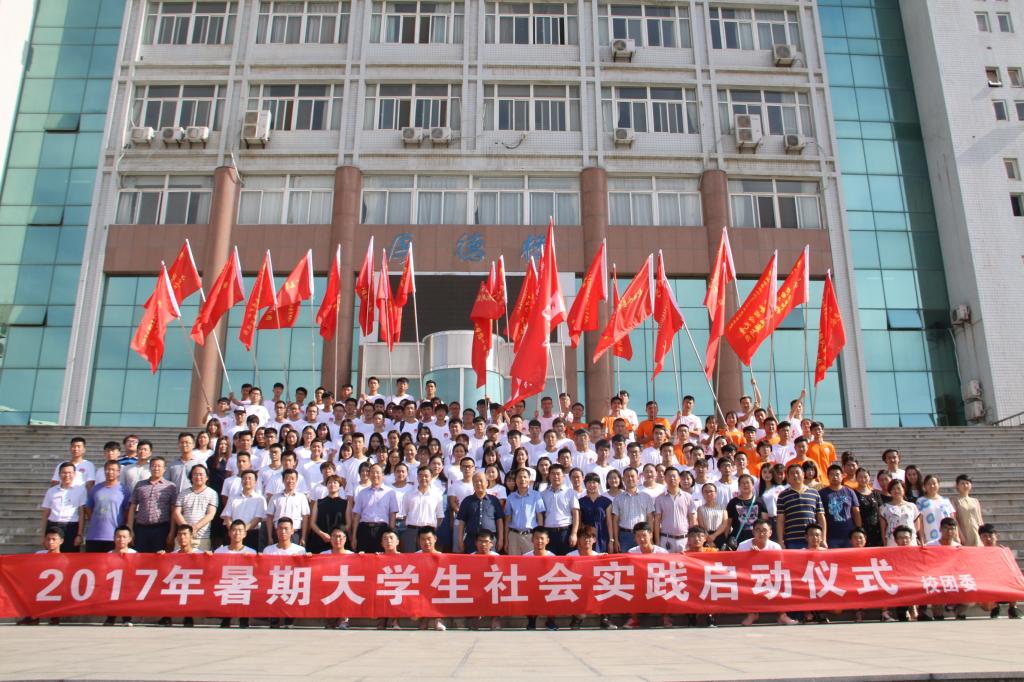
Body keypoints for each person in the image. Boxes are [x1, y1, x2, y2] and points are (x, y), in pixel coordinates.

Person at [738, 520, 796, 626]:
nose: (761, 533)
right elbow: (738, 567)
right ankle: (752, 613)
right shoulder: (743, 546)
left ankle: (782, 615)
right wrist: (749, 556)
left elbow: (781, 567)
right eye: (758, 530)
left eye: (764, 530)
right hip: (751, 578)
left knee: (781, 582)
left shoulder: (776, 547)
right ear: (753, 532)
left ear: (770, 533)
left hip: (770, 578)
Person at [262, 517, 306, 628]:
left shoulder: (300, 550)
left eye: (286, 529)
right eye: (280, 528)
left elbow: (303, 570)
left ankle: (289, 617)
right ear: (276, 530)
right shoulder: (268, 550)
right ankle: (274, 616)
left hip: (291, 583)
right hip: (274, 582)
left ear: (292, 531)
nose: (283, 531)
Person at [83, 460, 130, 553]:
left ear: (118, 472)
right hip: (94, 536)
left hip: (114, 537)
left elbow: (127, 510)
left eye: (113, 470)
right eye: (107, 470)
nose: (110, 472)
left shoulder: (124, 490)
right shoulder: (95, 489)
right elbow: (88, 508)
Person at [775, 464, 826, 549]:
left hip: (812, 540)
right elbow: (780, 520)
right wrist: (780, 540)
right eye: (792, 473)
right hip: (792, 540)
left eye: (797, 472)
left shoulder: (814, 493)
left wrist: (823, 539)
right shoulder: (783, 495)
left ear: (803, 475)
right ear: (788, 477)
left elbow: (821, 516)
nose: (795, 475)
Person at [40, 462, 87, 552]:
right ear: (59, 474)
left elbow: (82, 513)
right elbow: (45, 514)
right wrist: (43, 536)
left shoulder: (81, 490)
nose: (67, 475)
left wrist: (79, 534)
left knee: (71, 556)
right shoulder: (51, 491)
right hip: (53, 526)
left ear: (74, 474)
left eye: (70, 473)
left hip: (71, 527)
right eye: (64, 473)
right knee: (53, 555)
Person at [351, 464, 398, 553]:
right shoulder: (362, 493)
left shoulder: (390, 492)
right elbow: (357, 515)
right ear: (369, 475)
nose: (375, 475)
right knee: (363, 558)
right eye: (372, 472)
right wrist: (354, 536)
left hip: (382, 530)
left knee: (381, 558)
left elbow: (392, 515)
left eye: (377, 472)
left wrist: (391, 534)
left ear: (382, 475)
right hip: (364, 529)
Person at [172, 464, 219, 551]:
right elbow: (176, 513)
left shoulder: (212, 493)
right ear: (191, 477)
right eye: (195, 474)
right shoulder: (183, 493)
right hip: (183, 537)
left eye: (201, 474)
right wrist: (187, 530)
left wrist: (195, 528)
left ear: (207, 477)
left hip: (202, 538)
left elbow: (210, 514)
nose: (198, 477)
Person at [455, 472, 505, 553]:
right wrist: (460, 540)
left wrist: (501, 539)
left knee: (490, 561)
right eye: (475, 481)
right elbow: (462, 522)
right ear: (473, 484)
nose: (478, 483)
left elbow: (499, 520)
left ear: (487, 483)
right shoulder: (467, 501)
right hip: (471, 540)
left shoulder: (494, 500)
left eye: (481, 481)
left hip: (490, 540)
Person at [979, 524, 1021, 619]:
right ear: (980, 538)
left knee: (1016, 578)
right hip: (988, 585)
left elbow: (1013, 569)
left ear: (996, 536)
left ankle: (1013, 607)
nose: (988, 539)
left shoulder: (1004, 551)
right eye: (984, 536)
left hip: (1004, 583)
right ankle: (994, 607)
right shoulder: (977, 553)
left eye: (990, 536)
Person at [609, 467, 654, 553]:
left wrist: (650, 537)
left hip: (643, 535)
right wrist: (616, 540)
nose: (630, 479)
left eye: (632, 476)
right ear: (623, 479)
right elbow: (615, 521)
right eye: (627, 476)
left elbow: (650, 519)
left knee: (643, 559)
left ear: (638, 478)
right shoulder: (618, 499)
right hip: (625, 536)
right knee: (626, 560)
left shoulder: (646, 497)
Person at [400, 466, 445, 552]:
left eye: (426, 476)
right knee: (410, 556)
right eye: (420, 475)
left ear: (431, 477)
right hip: (412, 531)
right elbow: (405, 514)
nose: (423, 478)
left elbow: (440, 516)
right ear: (417, 477)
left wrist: (432, 529)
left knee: (427, 557)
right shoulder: (408, 494)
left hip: (428, 532)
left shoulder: (437, 495)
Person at [539, 464, 579, 555]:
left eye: (558, 474)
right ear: (549, 476)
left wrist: (574, 533)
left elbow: (576, 514)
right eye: (553, 474)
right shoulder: (543, 494)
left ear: (563, 476)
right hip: (549, 532)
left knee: (567, 560)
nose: (555, 476)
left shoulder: (571, 492)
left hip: (566, 532)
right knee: (550, 560)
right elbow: (541, 515)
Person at [523, 528, 559, 631]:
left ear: (547, 541)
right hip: (532, 587)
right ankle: (531, 621)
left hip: (548, 587)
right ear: (532, 539)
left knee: (555, 591)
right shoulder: (525, 557)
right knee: (527, 592)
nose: (539, 541)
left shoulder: (553, 557)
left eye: (542, 538)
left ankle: (551, 621)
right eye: (537, 538)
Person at [654, 467, 696, 552]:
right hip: (666, 539)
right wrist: (657, 542)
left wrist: (692, 539)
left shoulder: (688, 497)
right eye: (669, 476)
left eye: (674, 476)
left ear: (679, 478)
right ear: (665, 478)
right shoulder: (659, 498)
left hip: (684, 539)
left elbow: (692, 520)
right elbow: (657, 521)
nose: (672, 478)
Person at [504, 467, 545, 555]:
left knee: (530, 561)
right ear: (516, 480)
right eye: (519, 477)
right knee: (514, 562)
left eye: (525, 477)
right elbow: (507, 520)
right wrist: (506, 540)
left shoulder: (536, 495)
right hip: (514, 535)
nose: (522, 479)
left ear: (529, 480)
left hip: (530, 536)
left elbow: (540, 518)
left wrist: (540, 536)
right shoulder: (510, 497)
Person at [819, 464, 862, 548]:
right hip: (831, 537)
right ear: (828, 477)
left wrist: (859, 530)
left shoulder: (849, 491)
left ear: (842, 476)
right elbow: (820, 515)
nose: (835, 477)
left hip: (849, 536)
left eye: (837, 474)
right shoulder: (822, 493)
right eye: (832, 474)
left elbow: (856, 512)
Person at [723, 474, 766, 549]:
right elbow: (728, 524)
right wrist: (725, 540)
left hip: (756, 538)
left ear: (753, 485)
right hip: (737, 539)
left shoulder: (759, 501)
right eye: (742, 483)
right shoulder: (733, 502)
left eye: (747, 483)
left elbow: (765, 522)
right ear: (739, 486)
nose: (745, 485)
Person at [308, 474, 346, 554]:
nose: (332, 484)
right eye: (329, 482)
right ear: (326, 485)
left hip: (339, 541)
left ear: (340, 486)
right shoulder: (319, 502)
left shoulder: (345, 503)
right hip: (321, 539)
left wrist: (336, 536)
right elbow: (312, 523)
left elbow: (349, 524)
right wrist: (322, 534)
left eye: (335, 482)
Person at [880, 480, 923, 546]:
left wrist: (920, 540)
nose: (896, 491)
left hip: (910, 540)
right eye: (893, 489)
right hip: (892, 541)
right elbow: (883, 529)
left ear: (904, 490)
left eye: (899, 488)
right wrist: (885, 544)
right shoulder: (884, 507)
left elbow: (917, 526)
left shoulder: (912, 506)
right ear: (890, 491)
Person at [917, 474, 956, 544]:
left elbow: (953, 520)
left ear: (938, 485)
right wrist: (922, 539)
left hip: (947, 538)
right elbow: (920, 522)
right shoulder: (921, 501)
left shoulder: (945, 501)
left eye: (934, 483)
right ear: (924, 486)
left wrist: (957, 536)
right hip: (930, 539)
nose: (932, 486)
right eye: (929, 484)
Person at [579, 472, 612, 552]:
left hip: (602, 535)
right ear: (585, 484)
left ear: (599, 484)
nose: (591, 485)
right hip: (587, 536)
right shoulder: (580, 501)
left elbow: (609, 522)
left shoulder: (606, 501)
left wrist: (611, 540)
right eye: (589, 482)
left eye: (594, 482)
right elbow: (579, 523)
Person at [853, 467, 884, 547]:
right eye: (860, 477)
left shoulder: (875, 493)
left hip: (877, 529)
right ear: (856, 478)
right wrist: (859, 529)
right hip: (863, 530)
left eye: (865, 477)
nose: (863, 479)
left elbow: (881, 511)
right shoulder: (853, 493)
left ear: (869, 477)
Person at [953, 474, 983, 547]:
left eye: (967, 483)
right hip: (963, 533)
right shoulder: (954, 501)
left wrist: (983, 533)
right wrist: (960, 535)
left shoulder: (975, 501)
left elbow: (980, 519)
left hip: (976, 532)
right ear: (957, 486)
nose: (965, 485)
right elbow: (954, 520)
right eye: (962, 483)